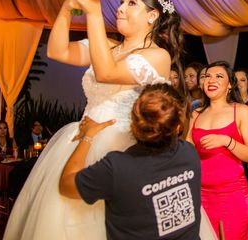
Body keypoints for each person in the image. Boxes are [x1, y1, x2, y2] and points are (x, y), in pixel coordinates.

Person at [4, 0, 185, 240]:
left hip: (120, 146)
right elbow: (58, 51)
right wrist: (68, 7)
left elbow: (106, 72)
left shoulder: (158, 56)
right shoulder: (109, 45)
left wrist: (93, 11)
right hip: (79, 139)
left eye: (131, 3)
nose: (120, 8)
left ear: (152, 15)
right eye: (121, 2)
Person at [59, 84, 202, 240]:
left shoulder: (117, 168)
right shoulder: (189, 153)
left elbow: (66, 185)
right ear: (177, 126)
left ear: (134, 125)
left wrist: (88, 135)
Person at [189, 61, 248, 239]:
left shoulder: (241, 111)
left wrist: (227, 141)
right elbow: (187, 152)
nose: (211, 80)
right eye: (207, 76)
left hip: (232, 196)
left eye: (219, 76)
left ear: (229, 85)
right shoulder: (195, 114)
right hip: (200, 194)